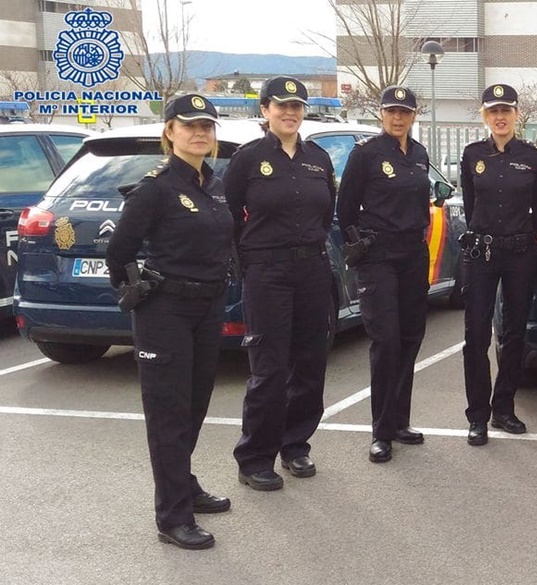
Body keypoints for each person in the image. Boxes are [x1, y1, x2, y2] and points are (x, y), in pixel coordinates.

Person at [106, 94, 233, 550]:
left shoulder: (214, 185)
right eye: (189, 125)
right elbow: (118, 253)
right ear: (170, 132)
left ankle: (185, 483)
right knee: (168, 413)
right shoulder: (156, 187)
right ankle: (172, 517)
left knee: (196, 403)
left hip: (207, 307)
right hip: (166, 313)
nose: (200, 132)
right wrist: (138, 293)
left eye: (207, 125)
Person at [225, 76, 336, 490]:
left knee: (310, 363)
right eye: (281, 105)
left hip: (311, 269)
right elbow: (232, 216)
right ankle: (255, 456)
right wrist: (251, 263)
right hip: (267, 273)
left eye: (297, 106)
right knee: (269, 369)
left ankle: (295, 444)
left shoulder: (318, 158)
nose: (290, 112)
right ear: (265, 109)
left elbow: (326, 214)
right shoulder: (248, 158)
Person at [337, 85, 431, 464]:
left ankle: (399, 422)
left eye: (404, 112)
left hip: (412, 253)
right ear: (381, 113)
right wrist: (358, 246)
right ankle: (380, 433)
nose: (398, 118)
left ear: (413, 116)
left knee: (411, 337)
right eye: (391, 111)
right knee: (386, 340)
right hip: (379, 256)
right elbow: (345, 210)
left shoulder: (420, 154)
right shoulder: (366, 154)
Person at [459, 84, 537, 446]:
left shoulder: (533, 157)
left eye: (506, 111)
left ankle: (504, 408)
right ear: (485, 115)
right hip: (482, 254)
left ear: (516, 115)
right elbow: (470, 203)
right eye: (493, 111)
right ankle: (477, 416)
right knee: (475, 336)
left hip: (519, 254)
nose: (500, 117)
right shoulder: (471, 155)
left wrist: (522, 240)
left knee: (514, 333)